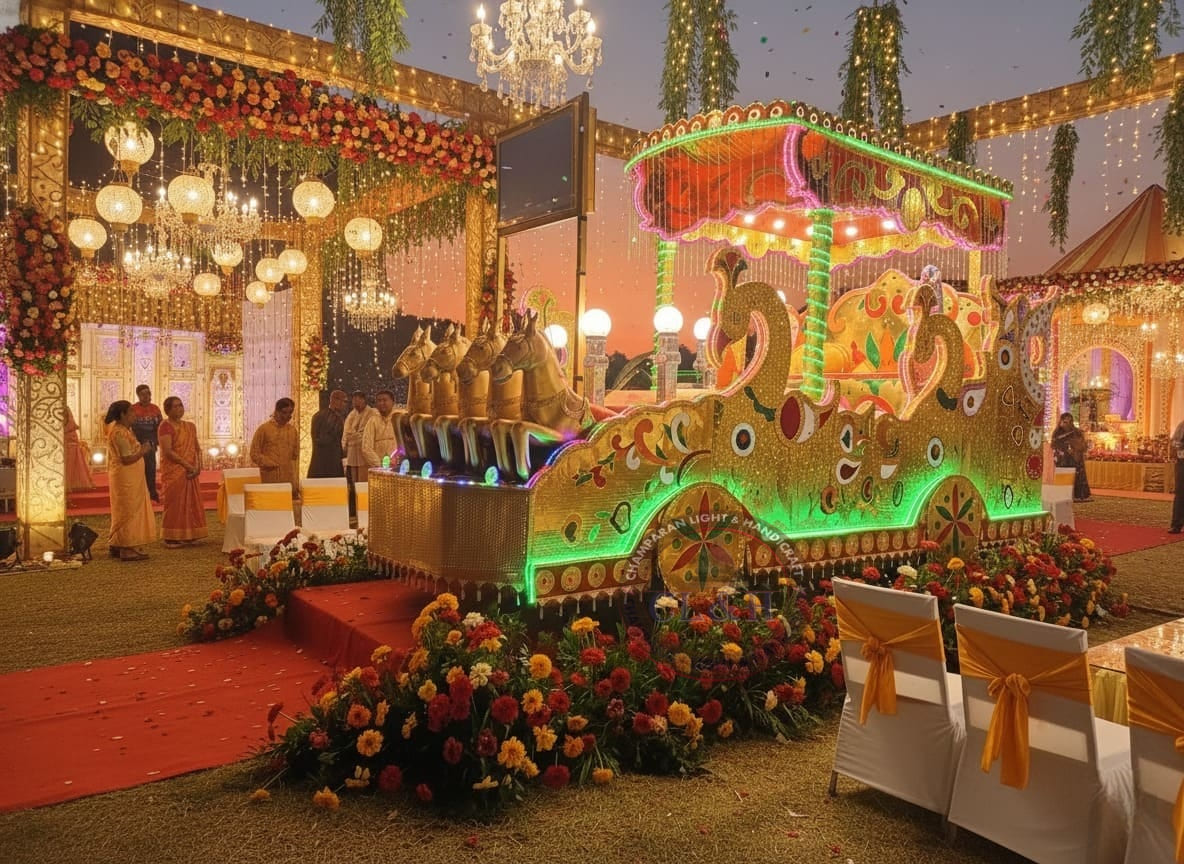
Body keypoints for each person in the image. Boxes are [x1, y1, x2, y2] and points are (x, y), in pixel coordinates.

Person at [104, 400, 156, 561]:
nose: (135, 415)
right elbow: (126, 458)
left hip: (131, 476)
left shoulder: (125, 430)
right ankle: (126, 548)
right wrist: (144, 450)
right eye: (132, 412)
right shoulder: (119, 432)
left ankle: (119, 543)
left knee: (128, 508)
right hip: (126, 477)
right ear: (122, 415)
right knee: (128, 509)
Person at [158, 396, 208, 548]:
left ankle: (189, 534)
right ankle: (171, 537)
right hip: (175, 471)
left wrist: (197, 466)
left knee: (190, 503)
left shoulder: (190, 426)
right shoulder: (165, 426)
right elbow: (168, 451)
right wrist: (187, 465)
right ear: (167, 410)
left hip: (190, 471)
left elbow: (196, 448)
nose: (179, 409)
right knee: (174, 503)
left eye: (181, 405)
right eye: (175, 406)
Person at [249, 397, 300, 492]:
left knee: (287, 506)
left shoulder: (293, 430)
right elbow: (254, 453)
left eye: (290, 413)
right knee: (270, 505)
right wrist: (269, 463)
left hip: (288, 479)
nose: (288, 416)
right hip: (270, 477)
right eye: (284, 412)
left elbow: (295, 455)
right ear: (276, 412)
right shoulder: (264, 429)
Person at [130, 384, 163, 503]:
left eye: (148, 393)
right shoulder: (133, 409)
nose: (146, 396)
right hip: (136, 442)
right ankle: (139, 494)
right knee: (138, 469)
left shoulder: (155, 408)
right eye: (143, 394)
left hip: (150, 442)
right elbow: (129, 426)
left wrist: (156, 441)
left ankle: (152, 492)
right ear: (138, 395)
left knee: (150, 468)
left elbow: (160, 426)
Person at [1051, 412, 1091, 503]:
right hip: (1063, 459)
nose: (1067, 424)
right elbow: (1054, 444)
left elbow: (1083, 445)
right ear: (1061, 421)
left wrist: (1075, 447)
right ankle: (1063, 495)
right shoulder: (1057, 432)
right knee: (1064, 476)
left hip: (1076, 458)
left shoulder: (1076, 431)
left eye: (1069, 421)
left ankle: (1080, 495)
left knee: (1077, 476)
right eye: (1065, 422)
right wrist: (1064, 449)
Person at [309, 389, 347, 478]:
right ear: (335, 400)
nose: (345, 405)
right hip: (329, 461)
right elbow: (323, 439)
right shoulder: (330, 417)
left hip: (320, 459)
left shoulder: (319, 414)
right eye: (344, 401)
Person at [342, 391, 376, 482]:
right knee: (353, 481)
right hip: (352, 451)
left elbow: (368, 432)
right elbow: (347, 432)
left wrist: (355, 436)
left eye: (357, 400)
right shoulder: (352, 414)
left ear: (363, 400)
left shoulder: (372, 413)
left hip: (365, 451)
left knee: (364, 479)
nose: (355, 402)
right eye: (353, 400)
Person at [361, 389, 398, 469]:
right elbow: (366, 447)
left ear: (393, 402)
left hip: (399, 466)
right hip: (379, 467)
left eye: (384, 400)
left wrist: (397, 461)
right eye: (379, 401)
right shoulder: (372, 421)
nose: (381, 403)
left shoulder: (399, 419)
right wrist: (379, 465)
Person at [64, 406, 95, 492]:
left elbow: (68, 423)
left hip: (69, 440)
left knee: (70, 465)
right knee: (68, 465)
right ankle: (66, 485)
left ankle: (68, 485)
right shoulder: (63, 408)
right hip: (67, 439)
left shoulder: (65, 408)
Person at [1170, 418, 1184, 533]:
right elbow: (1174, 442)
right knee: (1180, 493)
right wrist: (1180, 445)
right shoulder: (1182, 425)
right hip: (1182, 462)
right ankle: (1176, 524)